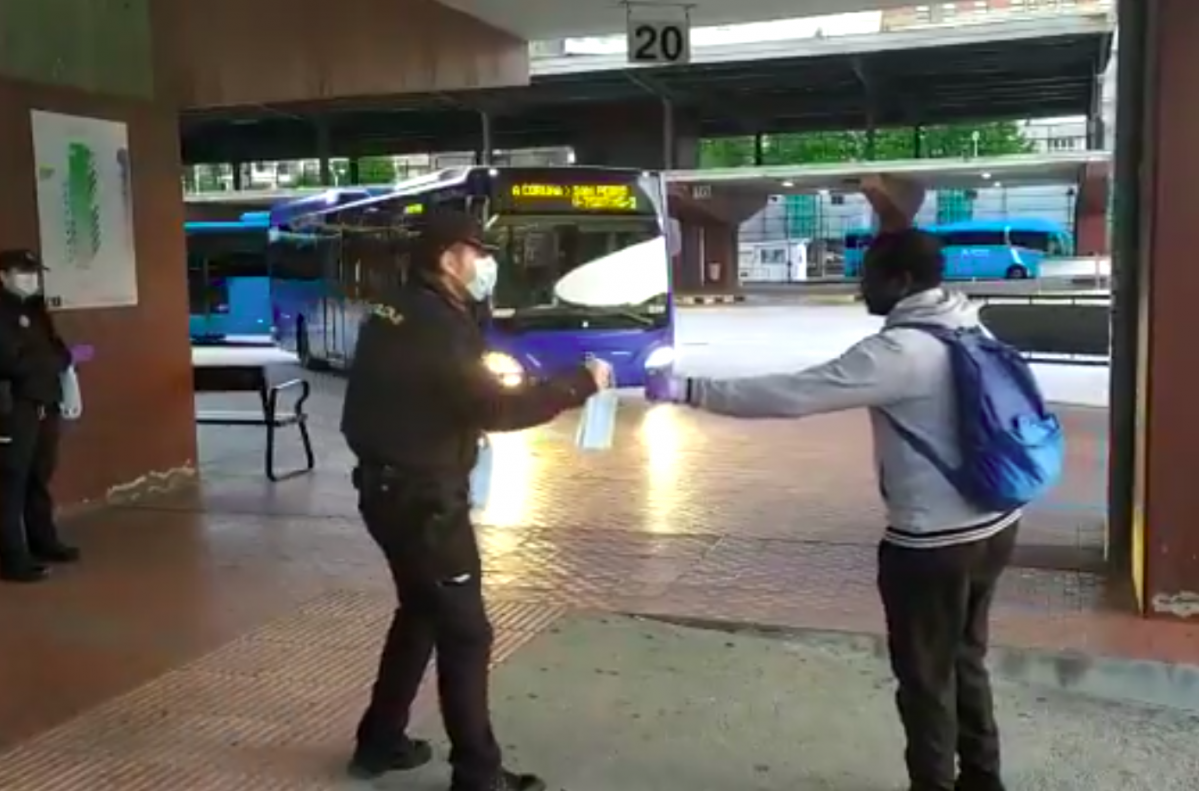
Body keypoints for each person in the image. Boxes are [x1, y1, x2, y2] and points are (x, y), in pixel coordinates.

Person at [648, 229, 1017, 791]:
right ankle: (984, 779)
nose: (859, 283)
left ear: (902, 281)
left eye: (869, 273)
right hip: (996, 525)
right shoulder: (968, 324)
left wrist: (691, 390)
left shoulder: (898, 353)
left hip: (932, 542)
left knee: (924, 678)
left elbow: (795, 394)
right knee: (965, 656)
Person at [340, 208, 612, 791]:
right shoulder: (438, 323)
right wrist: (577, 384)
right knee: (466, 632)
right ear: (447, 258)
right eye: (479, 252)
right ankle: (478, 775)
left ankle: (380, 741)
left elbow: (422, 395)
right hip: (423, 502)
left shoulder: (396, 307)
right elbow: (497, 406)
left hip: (385, 490)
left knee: (420, 612)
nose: (488, 263)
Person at [0, 248, 80, 584]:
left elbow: (60, 352)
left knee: (38, 476)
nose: (30, 279)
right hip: (13, 407)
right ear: (3, 276)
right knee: (10, 481)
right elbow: (9, 362)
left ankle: (43, 541)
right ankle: (12, 557)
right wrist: (47, 362)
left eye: (34, 273)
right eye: (22, 272)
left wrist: (53, 366)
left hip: (44, 402)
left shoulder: (35, 308)